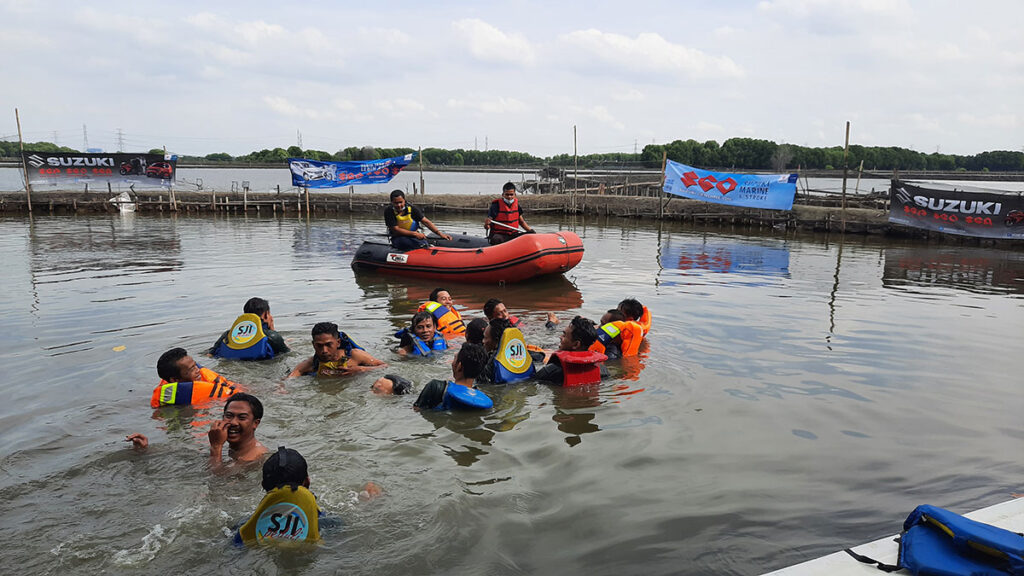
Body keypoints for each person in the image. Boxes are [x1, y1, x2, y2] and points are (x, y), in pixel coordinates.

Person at [233, 447, 382, 547]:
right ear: (308, 482)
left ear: (264, 486)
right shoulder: (330, 523)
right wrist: (368, 502)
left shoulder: (243, 526)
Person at [287, 322, 386, 378]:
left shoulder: (355, 355)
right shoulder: (311, 363)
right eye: (319, 346)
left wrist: (361, 369)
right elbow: (291, 377)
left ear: (338, 342)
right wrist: (281, 387)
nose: (324, 350)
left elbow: (384, 366)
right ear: (313, 345)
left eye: (328, 344)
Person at [151, 347, 241, 408]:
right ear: (174, 380)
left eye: (195, 365)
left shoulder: (204, 377)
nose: (198, 370)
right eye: (191, 369)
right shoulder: (165, 396)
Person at [414, 343, 493, 411]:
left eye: (455, 358)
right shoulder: (481, 400)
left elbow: (417, 410)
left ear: (459, 366)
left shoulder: (436, 386)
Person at [533, 316, 609, 386]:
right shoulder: (602, 370)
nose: (560, 337)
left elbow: (531, 383)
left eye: (564, 335)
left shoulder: (551, 371)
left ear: (576, 344)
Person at [210, 297, 289, 360]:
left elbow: (210, 354)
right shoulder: (271, 336)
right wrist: (273, 331)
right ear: (266, 314)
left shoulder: (229, 334)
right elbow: (287, 353)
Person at [209, 392, 268, 467]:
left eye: (242, 418)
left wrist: (216, 447)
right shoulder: (229, 449)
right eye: (229, 416)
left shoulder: (254, 459)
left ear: (255, 423)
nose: (233, 422)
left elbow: (215, 473)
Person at [384, 189, 451, 250]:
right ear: (392, 202)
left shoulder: (412, 209)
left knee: (423, 244)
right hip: (398, 237)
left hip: (413, 235)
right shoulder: (389, 211)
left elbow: (426, 222)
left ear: (404, 201)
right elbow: (396, 230)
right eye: (396, 203)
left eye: (400, 202)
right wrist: (415, 234)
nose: (399, 205)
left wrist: (439, 233)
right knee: (407, 243)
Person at [478, 317, 539, 384]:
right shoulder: (526, 354)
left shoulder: (493, 363)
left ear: (496, 341)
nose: (483, 341)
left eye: (485, 337)